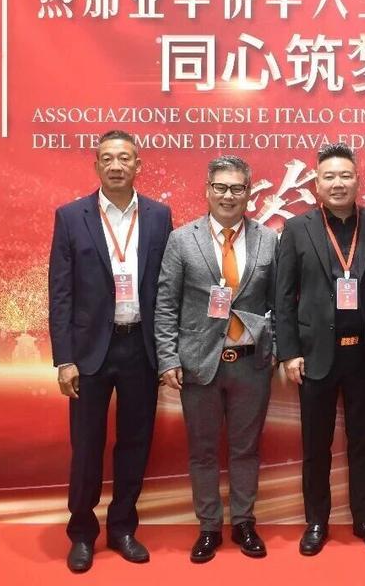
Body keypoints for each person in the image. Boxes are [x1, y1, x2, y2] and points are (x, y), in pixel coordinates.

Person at [49, 129, 173, 573]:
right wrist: (64, 359)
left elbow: (167, 287)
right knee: (86, 446)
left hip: (140, 346)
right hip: (88, 353)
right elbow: (60, 293)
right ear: (96, 165)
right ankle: (82, 533)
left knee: (135, 443)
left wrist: (168, 351)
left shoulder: (159, 216)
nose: (116, 165)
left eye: (124, 158)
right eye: (107, 158)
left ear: (138, 165)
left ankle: (122, 528)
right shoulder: (71, 216)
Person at [275, 143, 365, 556]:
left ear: (357, 180)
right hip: (315, 354)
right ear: (317, 183)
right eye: (329, 177)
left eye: (345, 176)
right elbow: (284, 297)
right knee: (315, 446)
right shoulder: (297, 229)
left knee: (364, 442)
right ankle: (317, 521)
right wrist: (288, 352)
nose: (337, 183)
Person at [154, 156, 278, 562]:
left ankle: (243, 522)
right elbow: (166, 304)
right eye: (221, 187)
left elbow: (280, 301)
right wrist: (168, 358)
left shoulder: (268, 239)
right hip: (198, 363)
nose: (228, 195)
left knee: (246, 449)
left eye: (237, 188)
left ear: (248, 192)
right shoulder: (181, 240)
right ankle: (209, 526)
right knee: (203, 451)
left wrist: (274, 347)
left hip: (251, 363)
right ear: (207, 190)